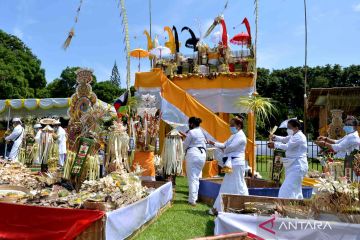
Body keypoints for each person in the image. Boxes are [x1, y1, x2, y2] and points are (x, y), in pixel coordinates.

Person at [208, 117, 249, 214]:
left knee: (237, 184)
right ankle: (242, 205)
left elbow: (229, 148)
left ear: (239, 126)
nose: (230, 127)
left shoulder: (241, 137)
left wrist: (222, 149)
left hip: (236, 164)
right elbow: (224, 145)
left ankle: (219, 208)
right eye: (230, 125)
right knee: (235, 184)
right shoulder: (233, 135)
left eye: (232, 125)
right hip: (231, 163)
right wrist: (213, 143)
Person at [268, 119, 308, 199]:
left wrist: (274, 144)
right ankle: (297, 205)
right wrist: (274, 137)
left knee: (286, 189)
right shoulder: (294, 135)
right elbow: (284, 139)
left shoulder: (299, 137)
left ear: (296, 127)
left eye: (289, 127)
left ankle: (283, 204)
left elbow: (287, 146)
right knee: (296, 189)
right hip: (292, 165)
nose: (288, 129)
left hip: (297, 166)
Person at [182, 117, 207, 206]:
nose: (189, 125)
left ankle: (192, 200)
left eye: (189, 123)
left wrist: (182, 143)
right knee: (196, 177)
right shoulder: (202, 131)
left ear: (192, 124)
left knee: (192, 177)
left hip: (193, 154)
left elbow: (185, 145)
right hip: (202, 154)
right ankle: (194, 198)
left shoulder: (191, 132)